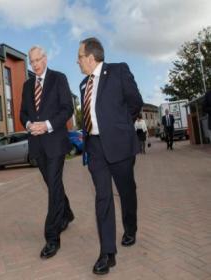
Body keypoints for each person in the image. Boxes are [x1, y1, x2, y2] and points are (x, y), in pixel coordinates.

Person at [77, 37, 143, 275]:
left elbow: (135, 102)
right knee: (102, 198)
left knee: (126, 191)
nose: (77, 62)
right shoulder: (83, 84)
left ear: (91, 57)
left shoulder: (118, 71)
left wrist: (121, 125)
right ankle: (108, 253)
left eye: (80, 57)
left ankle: (131, 228)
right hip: (94, 147)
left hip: (119, 144)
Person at [20, 46, 75, 259]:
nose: (34, 64)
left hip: (55, 142)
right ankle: (67, 213)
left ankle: (52, 237)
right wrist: (28, 124)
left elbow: (67, 109)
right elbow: (22, 112)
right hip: (37, 144)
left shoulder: (59, 78)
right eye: (31, 61)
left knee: (53, 186)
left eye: (37, 59)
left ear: (45, 57)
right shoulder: (26, 86)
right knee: (53, 184)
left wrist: (47, 125)